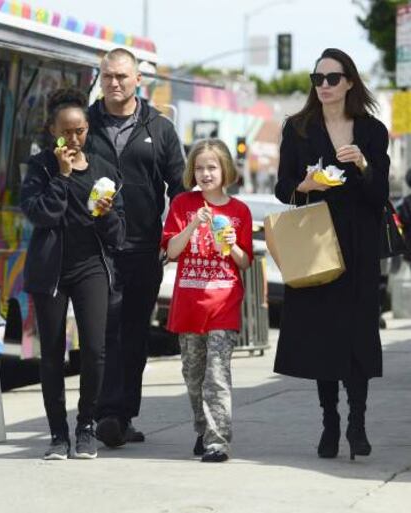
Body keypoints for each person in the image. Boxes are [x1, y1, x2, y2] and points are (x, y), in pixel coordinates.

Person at [273, 48, 390, 461]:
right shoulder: (298, 129)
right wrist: (305, 185)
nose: (323, 86)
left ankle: (357, 422)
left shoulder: (372, 132)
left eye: (332, 78)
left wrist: (362, 165)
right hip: (315, 240)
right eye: (317, 78)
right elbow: (282, 187)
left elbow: (379, 196)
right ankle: (330, 421)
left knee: (358, 335)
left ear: (349, 82)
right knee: (323, 337)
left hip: (358, 243)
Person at [86, 48, 185, 447]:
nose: (114, 83)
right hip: (94, 247)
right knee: (102, 332)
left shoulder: (159, 128)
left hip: (144, 247)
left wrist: (176, 236)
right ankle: (105, 413)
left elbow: (179, 187)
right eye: (108, 76)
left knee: (134, 335)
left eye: (122, 76)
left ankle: (123, 414)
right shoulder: (83, 125)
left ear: (138, 80)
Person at [20, 88, 125, 460]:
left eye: (80, 130)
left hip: (90, 269)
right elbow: (40, 214)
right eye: (66, 132)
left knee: (95, 351)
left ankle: (85, 427)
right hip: (50, 272)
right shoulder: (40, 168)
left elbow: (118, 235)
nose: (74, 139)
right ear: (52, 130)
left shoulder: (103, 170)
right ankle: (58, 435)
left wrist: (107, 213)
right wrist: (62, 177)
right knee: (51, 354)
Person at [161, 139, 253, 462]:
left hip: (223, 302)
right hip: (189, 304)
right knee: (193, 374)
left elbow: (243, 262)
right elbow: (171, 252)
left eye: (212, 167)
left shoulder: (239, 211)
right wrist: (193, 225)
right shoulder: (183, 205)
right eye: (199, 168)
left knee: (217, 373)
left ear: (225, 169)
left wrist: (234, 243)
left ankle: (218, 441)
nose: (205, 173)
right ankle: (203, 427)